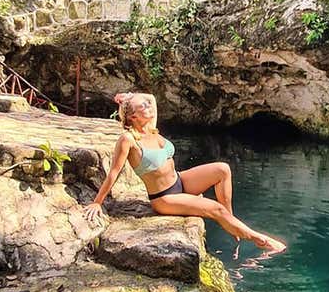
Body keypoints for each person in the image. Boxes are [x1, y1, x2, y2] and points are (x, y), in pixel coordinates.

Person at [84, 92, 286, 254]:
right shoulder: (128, 139)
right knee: (215, 209)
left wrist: (129, 96)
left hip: (180, 181)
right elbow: (114, 173)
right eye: (142, 107)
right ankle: (262, 241)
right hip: (164, 198)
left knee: (222, 169)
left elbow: (152, 97)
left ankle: (230, 221)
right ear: (132, 117)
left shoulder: (151, 128)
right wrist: (97, 202)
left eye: (146, 105)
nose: (149, 107)